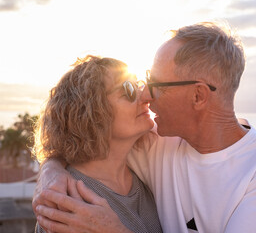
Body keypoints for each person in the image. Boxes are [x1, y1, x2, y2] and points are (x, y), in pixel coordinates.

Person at [33, 22, 256, 233]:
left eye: (156, 84)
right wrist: (51, 174)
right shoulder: (156, 142)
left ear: (198, 96)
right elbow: (81, 141)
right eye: (141, 82)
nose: (146, 95)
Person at [32, 55, 162, 233]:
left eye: (138, 84)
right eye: (129, 89)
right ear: (91, 111)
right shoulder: (68, 201)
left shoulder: (145, 173)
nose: (146, 96)